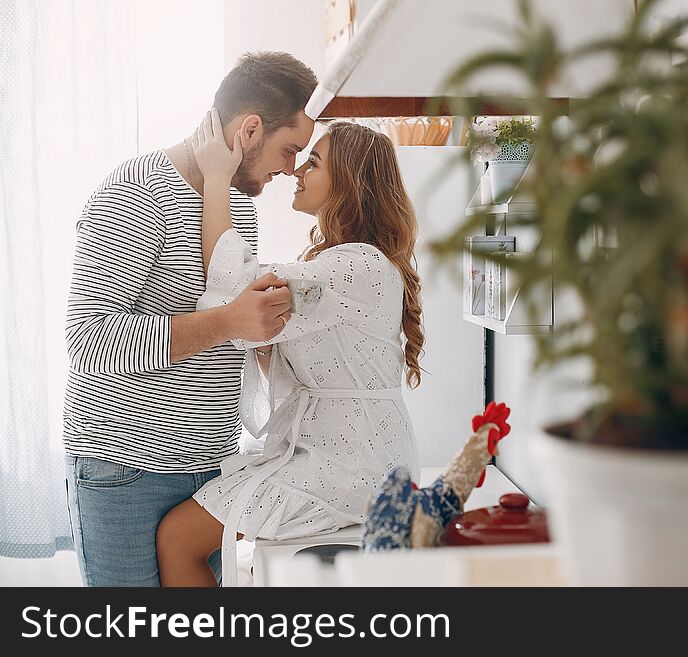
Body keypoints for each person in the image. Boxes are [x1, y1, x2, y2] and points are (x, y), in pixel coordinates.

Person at [63, 52, 318, 586]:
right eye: (289, 149)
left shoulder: (235, 204)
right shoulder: (135, 193)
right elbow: (87, 340)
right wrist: (229, 321)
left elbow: (234, 320)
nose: (291, 169)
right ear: (250, 128)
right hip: (125, 470)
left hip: (211, 470)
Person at [156, 112, 424, 586]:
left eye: (314, 162)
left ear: (349, 182)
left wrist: (216, 180)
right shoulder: (345, 263)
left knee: (179, 538)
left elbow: (238, 288)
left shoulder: (352, 266)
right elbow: (264, 328)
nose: (297, 171)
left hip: (348, 464)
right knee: (189, 536)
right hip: (355, 455)